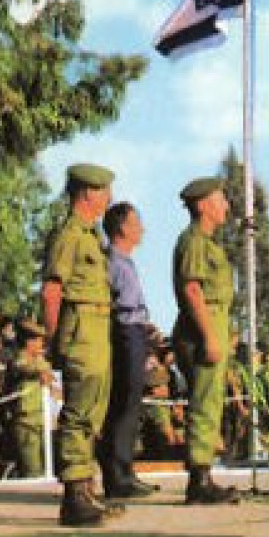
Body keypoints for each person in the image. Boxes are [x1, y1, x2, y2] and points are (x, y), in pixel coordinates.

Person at [41, 162, 120, 526]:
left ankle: (85, 489)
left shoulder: (92, 236)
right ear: (88, 192)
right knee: (78, 409)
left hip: (97, 324)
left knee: (94, 408)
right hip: (80, 325)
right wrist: (53, 338)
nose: (110, 198)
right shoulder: (70, 234)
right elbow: (52, 289)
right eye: (105, 190)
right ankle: (73, 494)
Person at [172, 176, 240, 505]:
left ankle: (203, 475)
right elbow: (192, 290)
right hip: (202, 329)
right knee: (204, 404)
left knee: (210, 403)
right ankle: (199, 481)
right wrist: (211, 336)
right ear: (203, 206)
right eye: (220, 200)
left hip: (213, 324)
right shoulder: (195, 242)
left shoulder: (208, 243)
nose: (226, 205)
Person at [96, 201, 159, 501]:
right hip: (124, 332)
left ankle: (125, 471)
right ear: (122, 227)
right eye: (136, 222)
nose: (142, 228)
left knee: (131, 405)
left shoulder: (125, 262)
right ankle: (117, 476)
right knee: (123, 404)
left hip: (134, 330)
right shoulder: (112, 263)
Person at [4, 319, 57, 479]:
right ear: (29, 341)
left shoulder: (40, 361)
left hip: (43, 419)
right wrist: (40, 372)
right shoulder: (19, 359)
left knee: (48, 468)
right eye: (39, 340)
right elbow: (23, 368)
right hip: (26, 421)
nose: (42, 344)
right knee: (32, 470)